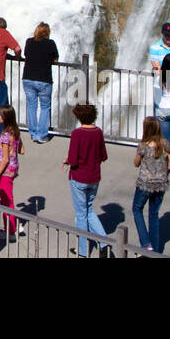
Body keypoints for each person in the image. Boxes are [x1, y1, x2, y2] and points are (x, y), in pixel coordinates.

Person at [64, 102, 108, 257]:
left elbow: (74, 160)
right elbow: (104, 156)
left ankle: (83, 251)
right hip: (94, 177)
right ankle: (104, 243)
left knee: (81, 214)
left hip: (79, 178)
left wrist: (68, 160)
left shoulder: (77, 133)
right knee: (89, 210)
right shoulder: (98, 132)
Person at [132, 116, 170, 253]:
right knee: (154, 214)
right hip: (161, 184)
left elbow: (136, 163)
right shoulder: (165, 144)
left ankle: (145, 243)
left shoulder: (143, 146)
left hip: (145, 184)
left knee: (137, 210)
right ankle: (154, 251)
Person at [21, 21, 60, 143]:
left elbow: (26, 54)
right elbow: (55, 59)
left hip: (28, 78)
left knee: (32, 106)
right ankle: (42, 135)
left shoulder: (29, 41)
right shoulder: (50, 43)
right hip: (44, 80)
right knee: (44, 107)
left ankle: (33, 133)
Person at [0, 105, 24, 234]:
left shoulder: (5, 135)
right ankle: (13, 225)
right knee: (6, 199)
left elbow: (5, 159)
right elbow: (22, 150)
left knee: (7, 200)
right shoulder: (15, 131)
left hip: (5, 171)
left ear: (5, 118)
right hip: (13, 168)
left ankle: (11, 229)